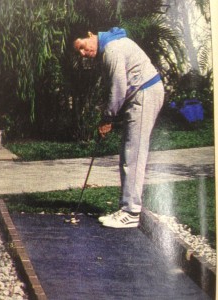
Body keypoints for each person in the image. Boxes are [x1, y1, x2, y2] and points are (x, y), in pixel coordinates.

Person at [73, 27, 164, 228]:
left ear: (89, 35)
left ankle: (131, 212)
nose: (83, 53)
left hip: (145, 94)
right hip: (142, 94)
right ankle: (126, 207)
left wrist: (108, 118)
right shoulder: (110, 47)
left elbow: (118, 88)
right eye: (79, 52)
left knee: (134, 154)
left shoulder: (112, 50)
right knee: (129, 151)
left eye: (82, 46)